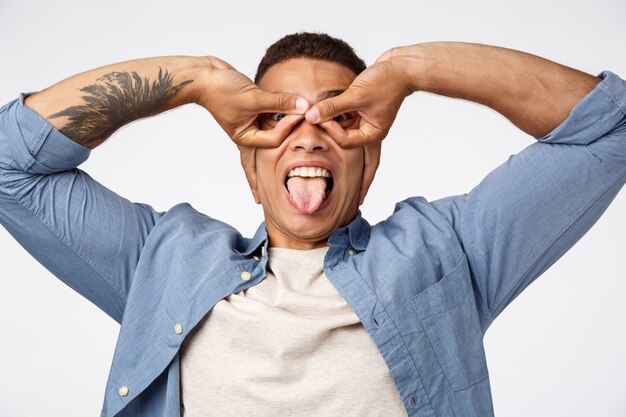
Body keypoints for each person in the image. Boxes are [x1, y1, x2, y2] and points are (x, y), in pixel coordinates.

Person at [0, 32, 624, 417]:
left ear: (370, 155)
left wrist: (411, 69)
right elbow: (9, 164)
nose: (308, 136)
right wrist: (196, 80)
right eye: (275, 120)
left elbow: (610, 130)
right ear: (249, 161)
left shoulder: (449, 252)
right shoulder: (159, 261)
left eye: (341, 117)